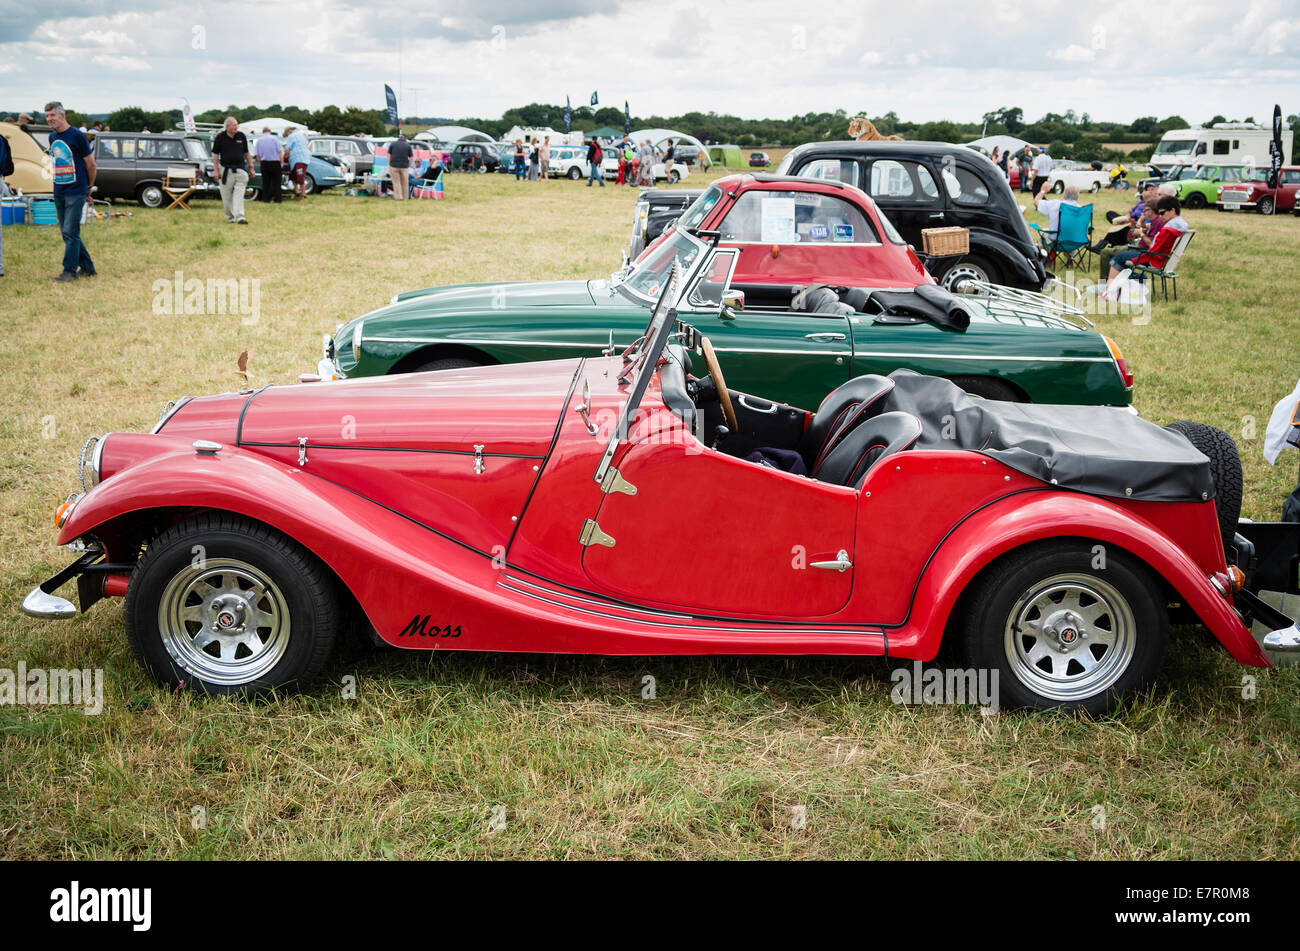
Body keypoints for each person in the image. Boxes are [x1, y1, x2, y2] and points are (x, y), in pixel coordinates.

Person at [45, 100, 97, 280]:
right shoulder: (52, 137)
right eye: (47, 116)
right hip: (59, 189)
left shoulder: (76, 136)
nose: (49, 119)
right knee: (67, 232)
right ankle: (88, 268)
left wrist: (89, 187)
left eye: (52, 115)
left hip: (76, 190)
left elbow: (91, 164)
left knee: (70, 231)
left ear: (62, 115)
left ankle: (69, 271)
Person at [1106, 196, 1187, 284]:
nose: (1160, 216)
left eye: (1162, 213)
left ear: (1172, 210)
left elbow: (1154, 248)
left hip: (1155, 259)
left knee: (1118, 258)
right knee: (1123, 255)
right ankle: (1134, 280)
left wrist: (1138, 257)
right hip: (1165, 260)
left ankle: (1109, 289)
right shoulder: (1182, 225)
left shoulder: (1168, 229)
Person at [212, 116, 252, 224]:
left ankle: (240, 217)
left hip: (240, 170)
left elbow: (246, 152)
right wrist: (216, 171)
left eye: (237, 125)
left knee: (239, 194)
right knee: (226, 196)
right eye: (234, 125)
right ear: (227, 126)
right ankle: (230, 217)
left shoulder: (241, 136)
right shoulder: (220, 137)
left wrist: (251, 167)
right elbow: (215, 155)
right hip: (225, 170)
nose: (236, 127)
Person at [253, 127, 284, 203]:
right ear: (270, 131)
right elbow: (280, 152)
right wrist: (282, 162)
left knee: (266, 182)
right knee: (277, 182)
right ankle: (277, 199)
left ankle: (265, 199)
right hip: (275, 162)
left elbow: (257, 154)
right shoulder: (275, 139)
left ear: (263, 132)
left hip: (264, 162)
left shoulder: (259, 140)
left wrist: (259, 162)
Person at [282, 125, 311, 200]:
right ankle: (297, 193)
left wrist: (284, 157)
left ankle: (303, 195)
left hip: (298, 159)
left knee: (300, 177)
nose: (287, 137)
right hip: (304, 158)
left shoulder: (291, 136)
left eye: (286, 135)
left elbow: (287, 149)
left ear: (288, 132)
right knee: (294, 176)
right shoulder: (302, 135)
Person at [388, 132, 412, 200]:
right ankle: (405, 197)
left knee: (396, 182)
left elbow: (389, 155)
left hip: (394, 165)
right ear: (405, 138)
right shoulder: (408, 146)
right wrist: (409, 165)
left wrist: (389, 163)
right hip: (404, 166)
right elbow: (411, 157)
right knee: (405, 182)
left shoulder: (392, 144)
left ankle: (398, 197)